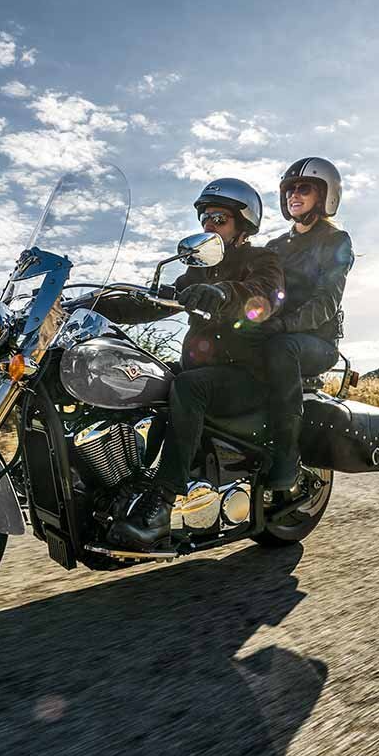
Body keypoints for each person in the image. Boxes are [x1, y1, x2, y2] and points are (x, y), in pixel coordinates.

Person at [95, 178, 284, 550]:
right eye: (205, 218)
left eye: (219, 219)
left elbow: (265, 295)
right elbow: (153, 303)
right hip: (203, 368)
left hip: (248, 374)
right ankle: (128, 482)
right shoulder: (196, 271)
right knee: (138, 374)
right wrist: (93, 304)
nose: (209, 225)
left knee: (188, 387)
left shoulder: (262, 260)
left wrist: (224, 293)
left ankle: (163, 504)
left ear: (243, 226)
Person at [253, 157, 355, 490]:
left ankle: (286, 455)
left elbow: (326, 301)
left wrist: (283, 326)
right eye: (289, 189)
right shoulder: (274, 247)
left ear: (325, 195)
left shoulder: (336, 241)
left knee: (281, 348)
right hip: (276, 333)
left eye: (304, 188)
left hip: (316, 343)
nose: (294, 195)